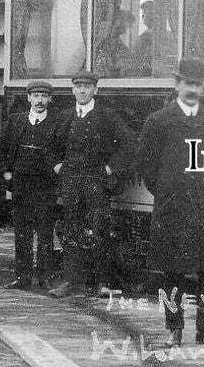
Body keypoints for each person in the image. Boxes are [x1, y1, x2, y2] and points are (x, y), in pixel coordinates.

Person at [136, 59, 204, 348]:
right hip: (174, 208)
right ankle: (174, 329)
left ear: (203, 88)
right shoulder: (159, 120)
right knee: (173, 272)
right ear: (176, 84)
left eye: (198, 84)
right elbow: (146, 166)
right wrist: (168, 193)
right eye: (188, 83)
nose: (193, 89)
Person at [48, 71, 135, 298]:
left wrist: (109, 168)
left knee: (100, 230)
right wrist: (58, 166)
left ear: (96, 89)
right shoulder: (65, 116)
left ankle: (103, 283)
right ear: (72, 90)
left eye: (87, 87)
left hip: (97, 182)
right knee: (71, 230)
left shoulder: (108, 116)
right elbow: (49, 145)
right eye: (79, 87)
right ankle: (70, 281)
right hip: (71, 182)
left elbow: (128, 144)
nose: (83, 91)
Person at [2, 80, 63, 291]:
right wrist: (7, 173)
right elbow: (4, 148)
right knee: (22, 232)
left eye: (44, 96)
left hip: (45, 184)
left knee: (45, 232)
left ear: (50, 99)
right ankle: (22, 278)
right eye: (36, 96)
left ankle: (45, 278)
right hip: (21, 183)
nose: (39, 100)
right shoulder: (16, 121)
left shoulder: (57, 123)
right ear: (28, 98)